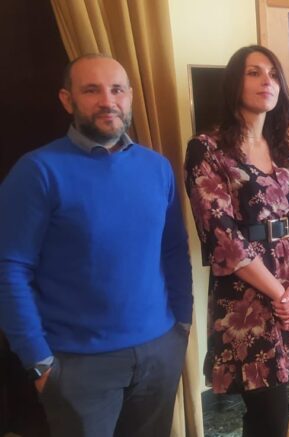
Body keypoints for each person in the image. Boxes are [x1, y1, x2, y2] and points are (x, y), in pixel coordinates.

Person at [0, 54, 193, 437]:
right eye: (92, 90)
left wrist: (182, 324)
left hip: (159, 353)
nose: (108, 101)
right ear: (67, 99)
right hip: (78, 365)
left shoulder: (157, 167)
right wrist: (38, 361)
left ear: (130, 96)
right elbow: (10, 268)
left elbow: (173, 249)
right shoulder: (37, 171)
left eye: (117, 89)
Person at [184, 45, 289, 437]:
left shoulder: (281, 151)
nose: (267, 81)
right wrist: (282, 296)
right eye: (254, 72)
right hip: (248, 297)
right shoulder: (207, 149)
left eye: (273, 74)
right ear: (234, 83)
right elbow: (224, 238)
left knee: (267, 415)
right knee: (270, 417)